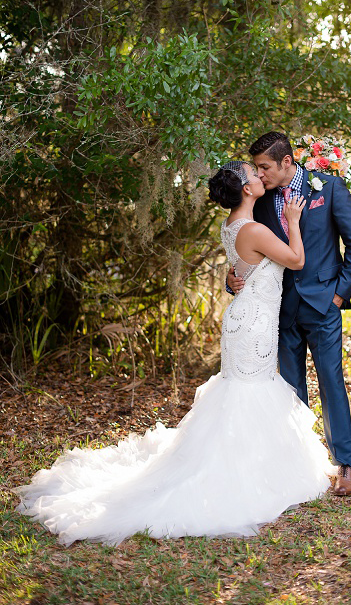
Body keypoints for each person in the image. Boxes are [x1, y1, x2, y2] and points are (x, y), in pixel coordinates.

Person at [15, 161, 334, 546]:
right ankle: (242, 472)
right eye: (253, 173)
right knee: (249, 392)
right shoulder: (253, 228)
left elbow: (244, 271)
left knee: (245, 390)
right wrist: (294, 219)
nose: (259, 176)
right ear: (247, 189)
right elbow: (296, 260)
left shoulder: (232, 225)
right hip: (252, 324)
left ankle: (254, 463)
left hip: (248, 318)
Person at [227, 132, 351, 496]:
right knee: (289, 389)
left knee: (331, 382)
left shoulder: (329, 188)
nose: (260, 175)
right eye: (256, 169)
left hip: (323, 305)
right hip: (279, 310)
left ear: (287, 162)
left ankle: (346, 465)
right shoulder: (260, 200)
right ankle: (299, 463)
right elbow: (247, 248)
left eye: (265, 167)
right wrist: (232, 280)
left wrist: (338, 295)